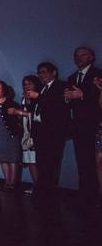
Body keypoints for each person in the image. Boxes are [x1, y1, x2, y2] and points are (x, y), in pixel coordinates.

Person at [26, 62, 68, 199]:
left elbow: (57, 105)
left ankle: (49, 194)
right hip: (40, 132)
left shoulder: (60, 86)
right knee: (42, 164)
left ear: (53, 72)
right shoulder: (42, 88)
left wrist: (38, 97)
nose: (41, 75)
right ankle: (43, 192)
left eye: (44, 72)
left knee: (52, 164)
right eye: (39, 73)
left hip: (53, 133)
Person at [65, 46, 101, 204]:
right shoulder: (72, 77)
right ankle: (84, 194)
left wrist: (83, 95)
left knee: (95, 162)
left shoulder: (99, 74)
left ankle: (95, 196)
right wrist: (67, 98)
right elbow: (68, 101)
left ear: (91, 57)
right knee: (81, 160)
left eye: (83, 55)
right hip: (78, 126)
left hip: (95, 125)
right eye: (76, 55)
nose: (79, 58)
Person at [0, 81, 25, 190]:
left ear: (4, 90)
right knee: (2, 159)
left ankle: (13, 183)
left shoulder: (12, 103)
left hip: (10, 135)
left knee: (13, 158)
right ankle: (7, 182)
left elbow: (21, 119)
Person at [19, 75, 39, 190]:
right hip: (26, 133)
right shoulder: (24, 98)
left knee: (36, 161)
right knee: (30, 160)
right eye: (25, 84)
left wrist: (19, 112)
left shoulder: (38, 97)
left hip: (35, 133)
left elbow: (36, 115)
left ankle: (40, 186)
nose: (27, 86)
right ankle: (36, 185)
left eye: (29, 84)